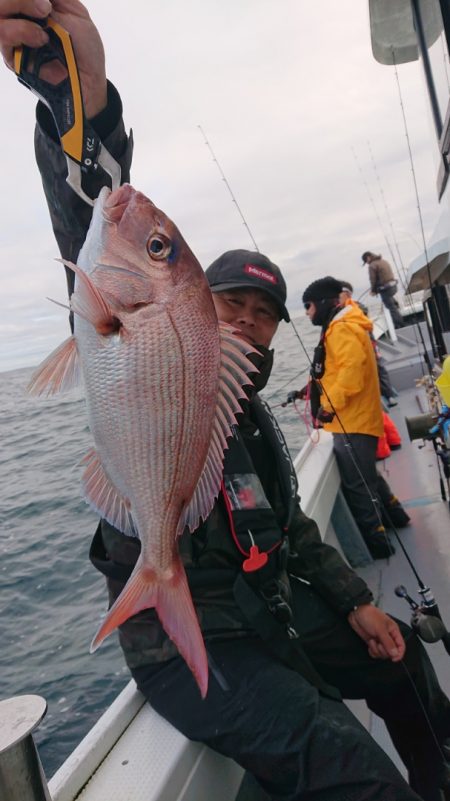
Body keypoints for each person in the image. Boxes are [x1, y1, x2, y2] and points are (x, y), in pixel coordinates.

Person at [2, 5, 450, 800]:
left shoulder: (248, 418)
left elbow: (293, 528)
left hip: (267, 609)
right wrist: (84, 103)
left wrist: (353, 604)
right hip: (189, 642)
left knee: (406, 659)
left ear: (277, 331)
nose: (244, 321)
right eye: (229, 305)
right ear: (199, 308)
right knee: (348, 763)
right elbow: (92, 225)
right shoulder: (141, 332)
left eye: (263, 315)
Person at [300, 276, 410, 559]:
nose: (308, 313)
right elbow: (340, 369)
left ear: (324, 303)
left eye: (309, 306)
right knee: (367, 474)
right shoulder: (342, 326)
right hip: (355, 419)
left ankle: (379, 545)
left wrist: (326, 405)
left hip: (353, 421)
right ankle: (396, 515)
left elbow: (352, 372)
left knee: (357, 484)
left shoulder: (341, 329)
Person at [339, 280, 398, 407]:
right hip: (354, 350)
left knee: (379, 368)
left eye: (340, 293)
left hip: (368, 345)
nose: (338, 296)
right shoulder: (339, 312)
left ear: (348, 294)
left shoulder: (357, 308)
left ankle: (389, 395)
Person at [362, 251, 405, 328]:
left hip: (386, 289)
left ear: (368, 257)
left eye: (366, 261)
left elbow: (373, 280)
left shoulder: (372, 265)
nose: (367, 263)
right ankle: (397, 310)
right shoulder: (383, 261)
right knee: (393, 304)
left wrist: (373, 291)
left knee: (391, 307)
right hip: (394, 287)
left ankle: (399, 325)